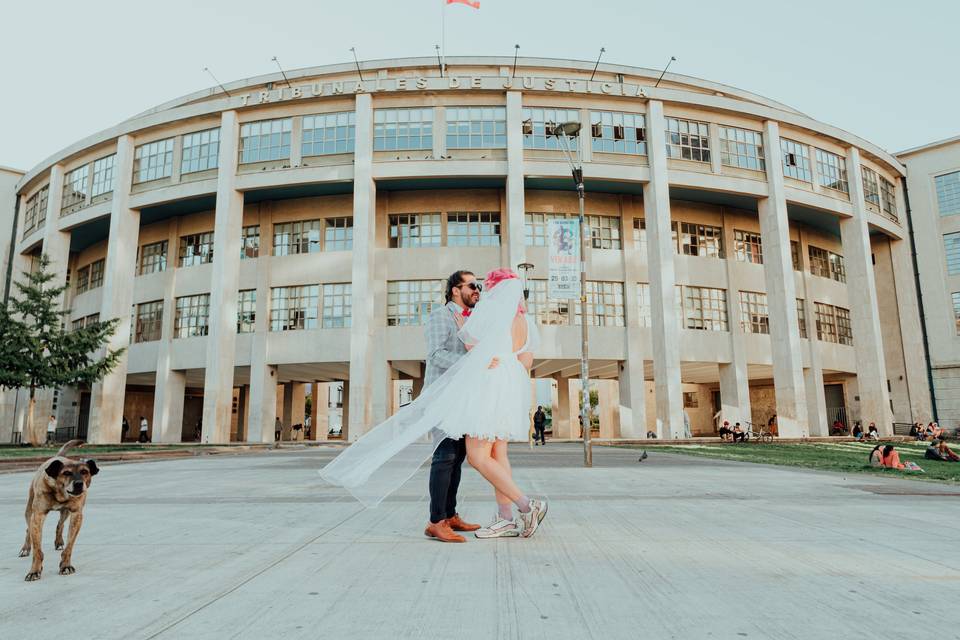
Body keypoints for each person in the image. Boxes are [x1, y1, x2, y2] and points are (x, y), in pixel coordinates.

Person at [320, 269, 547, 542]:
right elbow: (438, 355)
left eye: (482, 286)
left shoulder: (490, 315)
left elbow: (479, 348)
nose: (478, 290)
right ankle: (439, 520)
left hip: (479, 393)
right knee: (450, 457)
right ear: (455, 289)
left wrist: (492, 371)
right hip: (451, 395)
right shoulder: (446, 315)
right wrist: (506, 383)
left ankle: (473, 515)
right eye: (473, 285)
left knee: (466, 457)